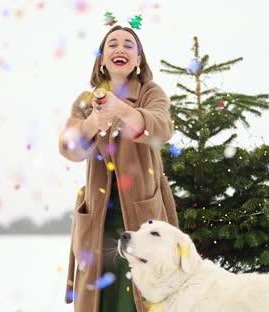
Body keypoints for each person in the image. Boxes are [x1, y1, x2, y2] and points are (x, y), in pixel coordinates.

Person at [59, 25, 179, 312]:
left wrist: (123, 110)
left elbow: (161, 129)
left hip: (141, 218)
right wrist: (91, 123)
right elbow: (67, 147)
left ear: (139, 60)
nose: (120, 49)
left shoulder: (151, 93)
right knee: (100, 300)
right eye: (112, 44)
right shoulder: (86, 102)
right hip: (98, 220)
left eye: (128, 45)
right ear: (102, 60)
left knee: (139, 298)